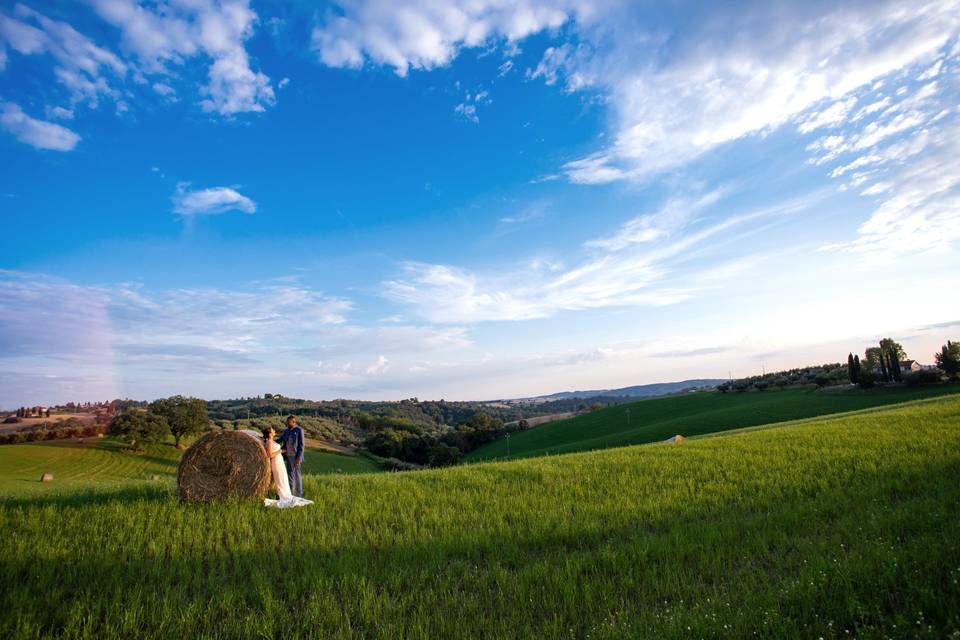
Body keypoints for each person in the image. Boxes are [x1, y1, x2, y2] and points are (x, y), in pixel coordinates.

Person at [260, 426, 312, 509]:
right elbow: (269, 455)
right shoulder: (269, 442)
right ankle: (284, 497)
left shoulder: (271, 441)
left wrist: (283, 450)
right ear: (270, 434)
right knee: (281, 480)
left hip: (279, 462)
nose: (274, 431)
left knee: (283, 479)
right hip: (276, 463)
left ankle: (287, 495)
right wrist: (280, 451)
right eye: (273, 430)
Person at [277, 415, 304, 498]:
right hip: (288, 455)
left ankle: (299, 495)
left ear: (293, 422)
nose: (287, 423)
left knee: (297, 475)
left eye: (288, 422)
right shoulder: (286, 431)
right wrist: (270, 441)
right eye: (287, 422)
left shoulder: (299, 430)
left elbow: (301, 445)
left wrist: (299, 458)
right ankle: (290, 494)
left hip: (295, 456)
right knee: (290, 475)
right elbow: (280, 439)